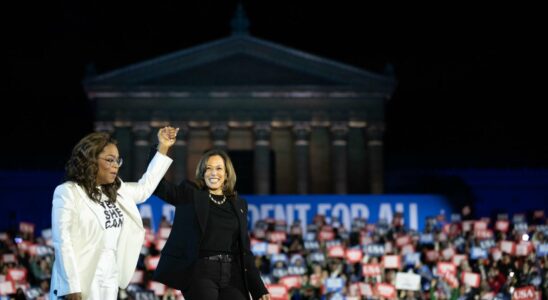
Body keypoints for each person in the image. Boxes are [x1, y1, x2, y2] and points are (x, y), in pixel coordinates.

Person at [49, 127, 178, 300]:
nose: (115, 165)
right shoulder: (68, 192)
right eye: (110, 160)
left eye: (118, 160)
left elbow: (144, 188)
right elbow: (62, 242)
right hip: (82, 279)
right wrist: (71, 287)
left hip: (110, 277)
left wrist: (163, 147)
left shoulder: (117, 191)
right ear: (90, 160)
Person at [152, 148, 271, 300]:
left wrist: (258, 288)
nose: (213, 173)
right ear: (202, 173)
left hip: (232, 274)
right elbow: (158, 186)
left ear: (227, 174)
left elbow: (244, 251)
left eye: (219, 168)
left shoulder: (239, 204)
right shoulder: (191, 195)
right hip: (201, 272)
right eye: (208, 168)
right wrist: (162, 147)